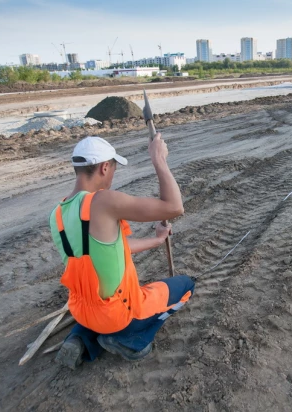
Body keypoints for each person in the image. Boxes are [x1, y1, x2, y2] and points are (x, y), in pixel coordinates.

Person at [49, 135, 194, 370]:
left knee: (96, 311)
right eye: (114, 168)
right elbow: (175, 207)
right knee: (186, 285)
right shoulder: (104, 201)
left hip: (82, 311)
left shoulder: (57, 214)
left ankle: (80, 338)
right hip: (119, 315)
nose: (113, 174)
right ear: (105, 167)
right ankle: (130, 342)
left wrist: (156, 240)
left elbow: (110, 251)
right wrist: (159, 159)